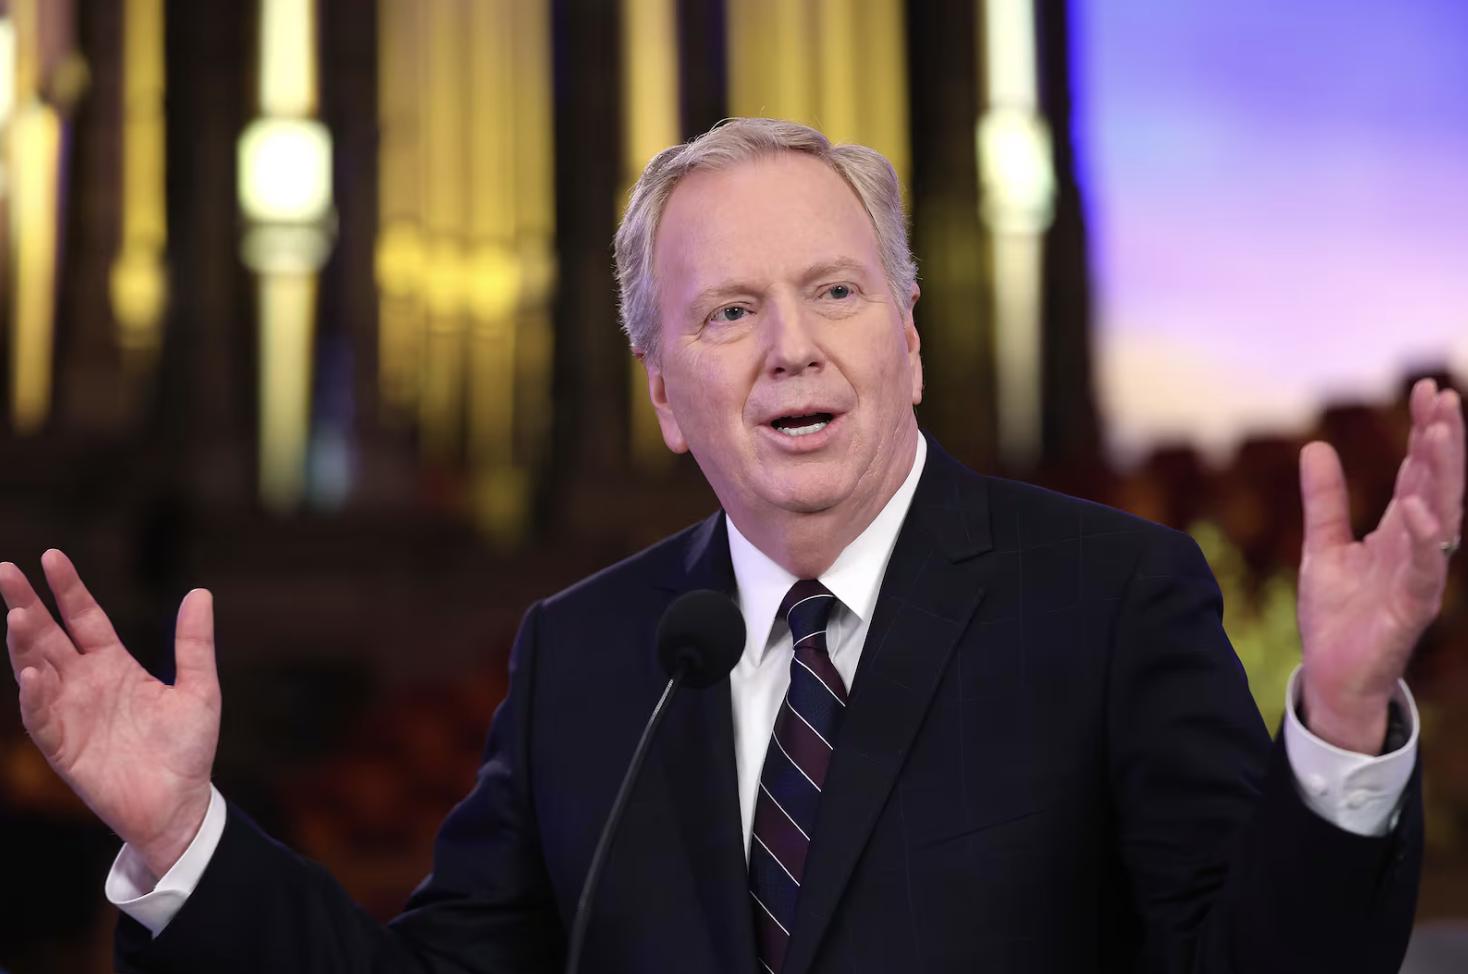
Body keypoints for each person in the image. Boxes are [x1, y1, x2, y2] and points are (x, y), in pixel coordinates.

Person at [3, 118, 1463, 973]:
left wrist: (1337, 725)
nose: (789, 351)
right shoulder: (587, 653)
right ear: (662, 395)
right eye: (726, 313)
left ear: (907, 339)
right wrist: (179, 836)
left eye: (833, 292)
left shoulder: (1107, 597)